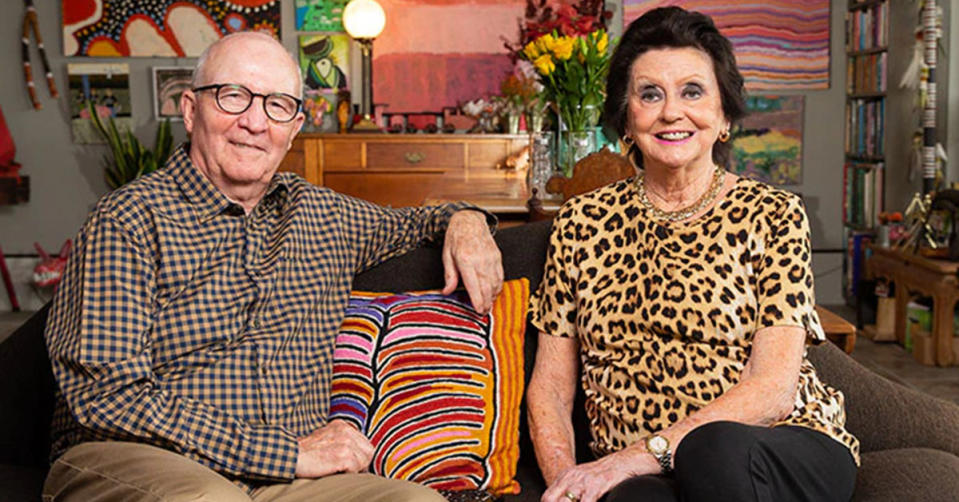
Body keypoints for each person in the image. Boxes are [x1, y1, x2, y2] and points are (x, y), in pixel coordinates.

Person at [43, 31, 503, 502]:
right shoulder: (127, 220)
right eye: (233, 96)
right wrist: (284, 453)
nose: (255, 122)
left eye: (277, 105)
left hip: (285, 481)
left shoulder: (324, 215)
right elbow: (107, 396)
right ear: (190, 109)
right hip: (142, 456)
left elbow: (423, 221)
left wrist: (466, 222)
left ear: (295, 125)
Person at [526, 7, 858, 502]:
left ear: (724, 114)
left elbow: (772, 388)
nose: (671, 112)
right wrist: (570, 484)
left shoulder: (773, 214)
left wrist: (631, 457)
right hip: (643, 477)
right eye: (650, 93)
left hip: (776, 446)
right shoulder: (580, 222)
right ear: (626, 116)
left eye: (693, 91)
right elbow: (550, 390)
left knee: (712, 449)